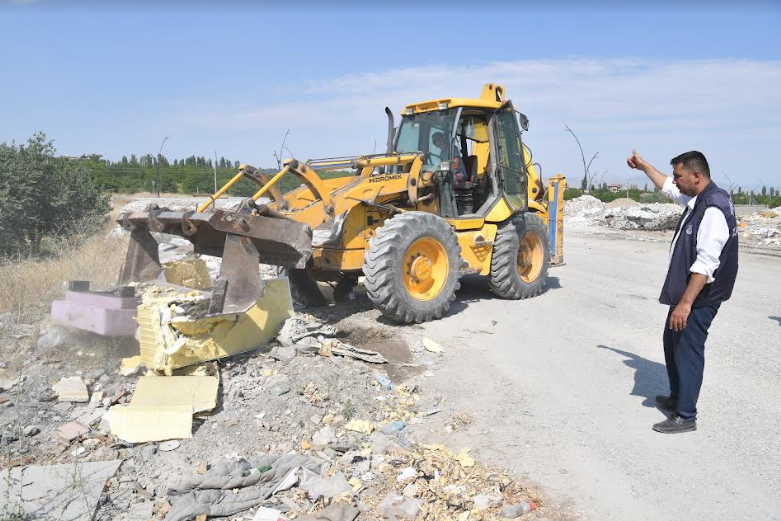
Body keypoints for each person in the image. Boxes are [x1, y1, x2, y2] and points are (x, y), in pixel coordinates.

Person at [627, 149, 738, 434]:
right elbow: (667, 187)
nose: (675, 181)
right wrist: (644, 167)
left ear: (696, 176)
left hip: (700, 297)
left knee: (687, 350)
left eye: (679, 175)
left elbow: (706, 262)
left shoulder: (712, 208)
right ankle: (677, 398)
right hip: (690, 295)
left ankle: (686, 415)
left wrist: (685, 304)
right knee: (672, 342)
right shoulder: (700, 198)